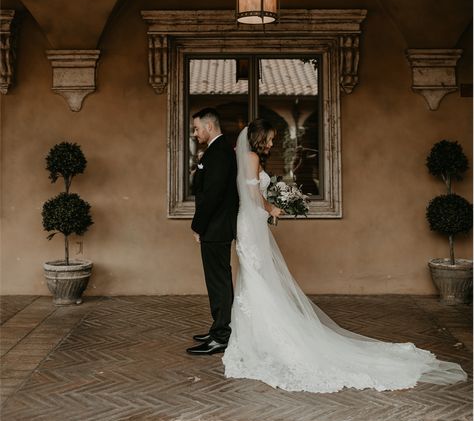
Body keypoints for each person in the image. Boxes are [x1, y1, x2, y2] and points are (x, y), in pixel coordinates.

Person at [222, 119, 467, 392]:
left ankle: (256, 338)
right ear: (257, 138)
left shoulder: (242, 156)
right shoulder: (252, 156)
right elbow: (254, 195)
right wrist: (272, 209)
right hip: (252, 219)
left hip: (248, 222)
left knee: (255, 276)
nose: (271, 143)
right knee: (257, 277)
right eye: (268, 138)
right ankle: (268, 339)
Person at [186, 108, 239, 356]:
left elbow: (213, 196)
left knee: (218, 282)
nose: (195, 133)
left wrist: (198, 225)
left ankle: (221, 336)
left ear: (209, 126)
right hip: (216, 227)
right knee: (218, 281)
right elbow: (201, 186)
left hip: (216, 228)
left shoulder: (220, 153)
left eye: (197, 129)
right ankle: (219, 328)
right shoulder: (216, 151)